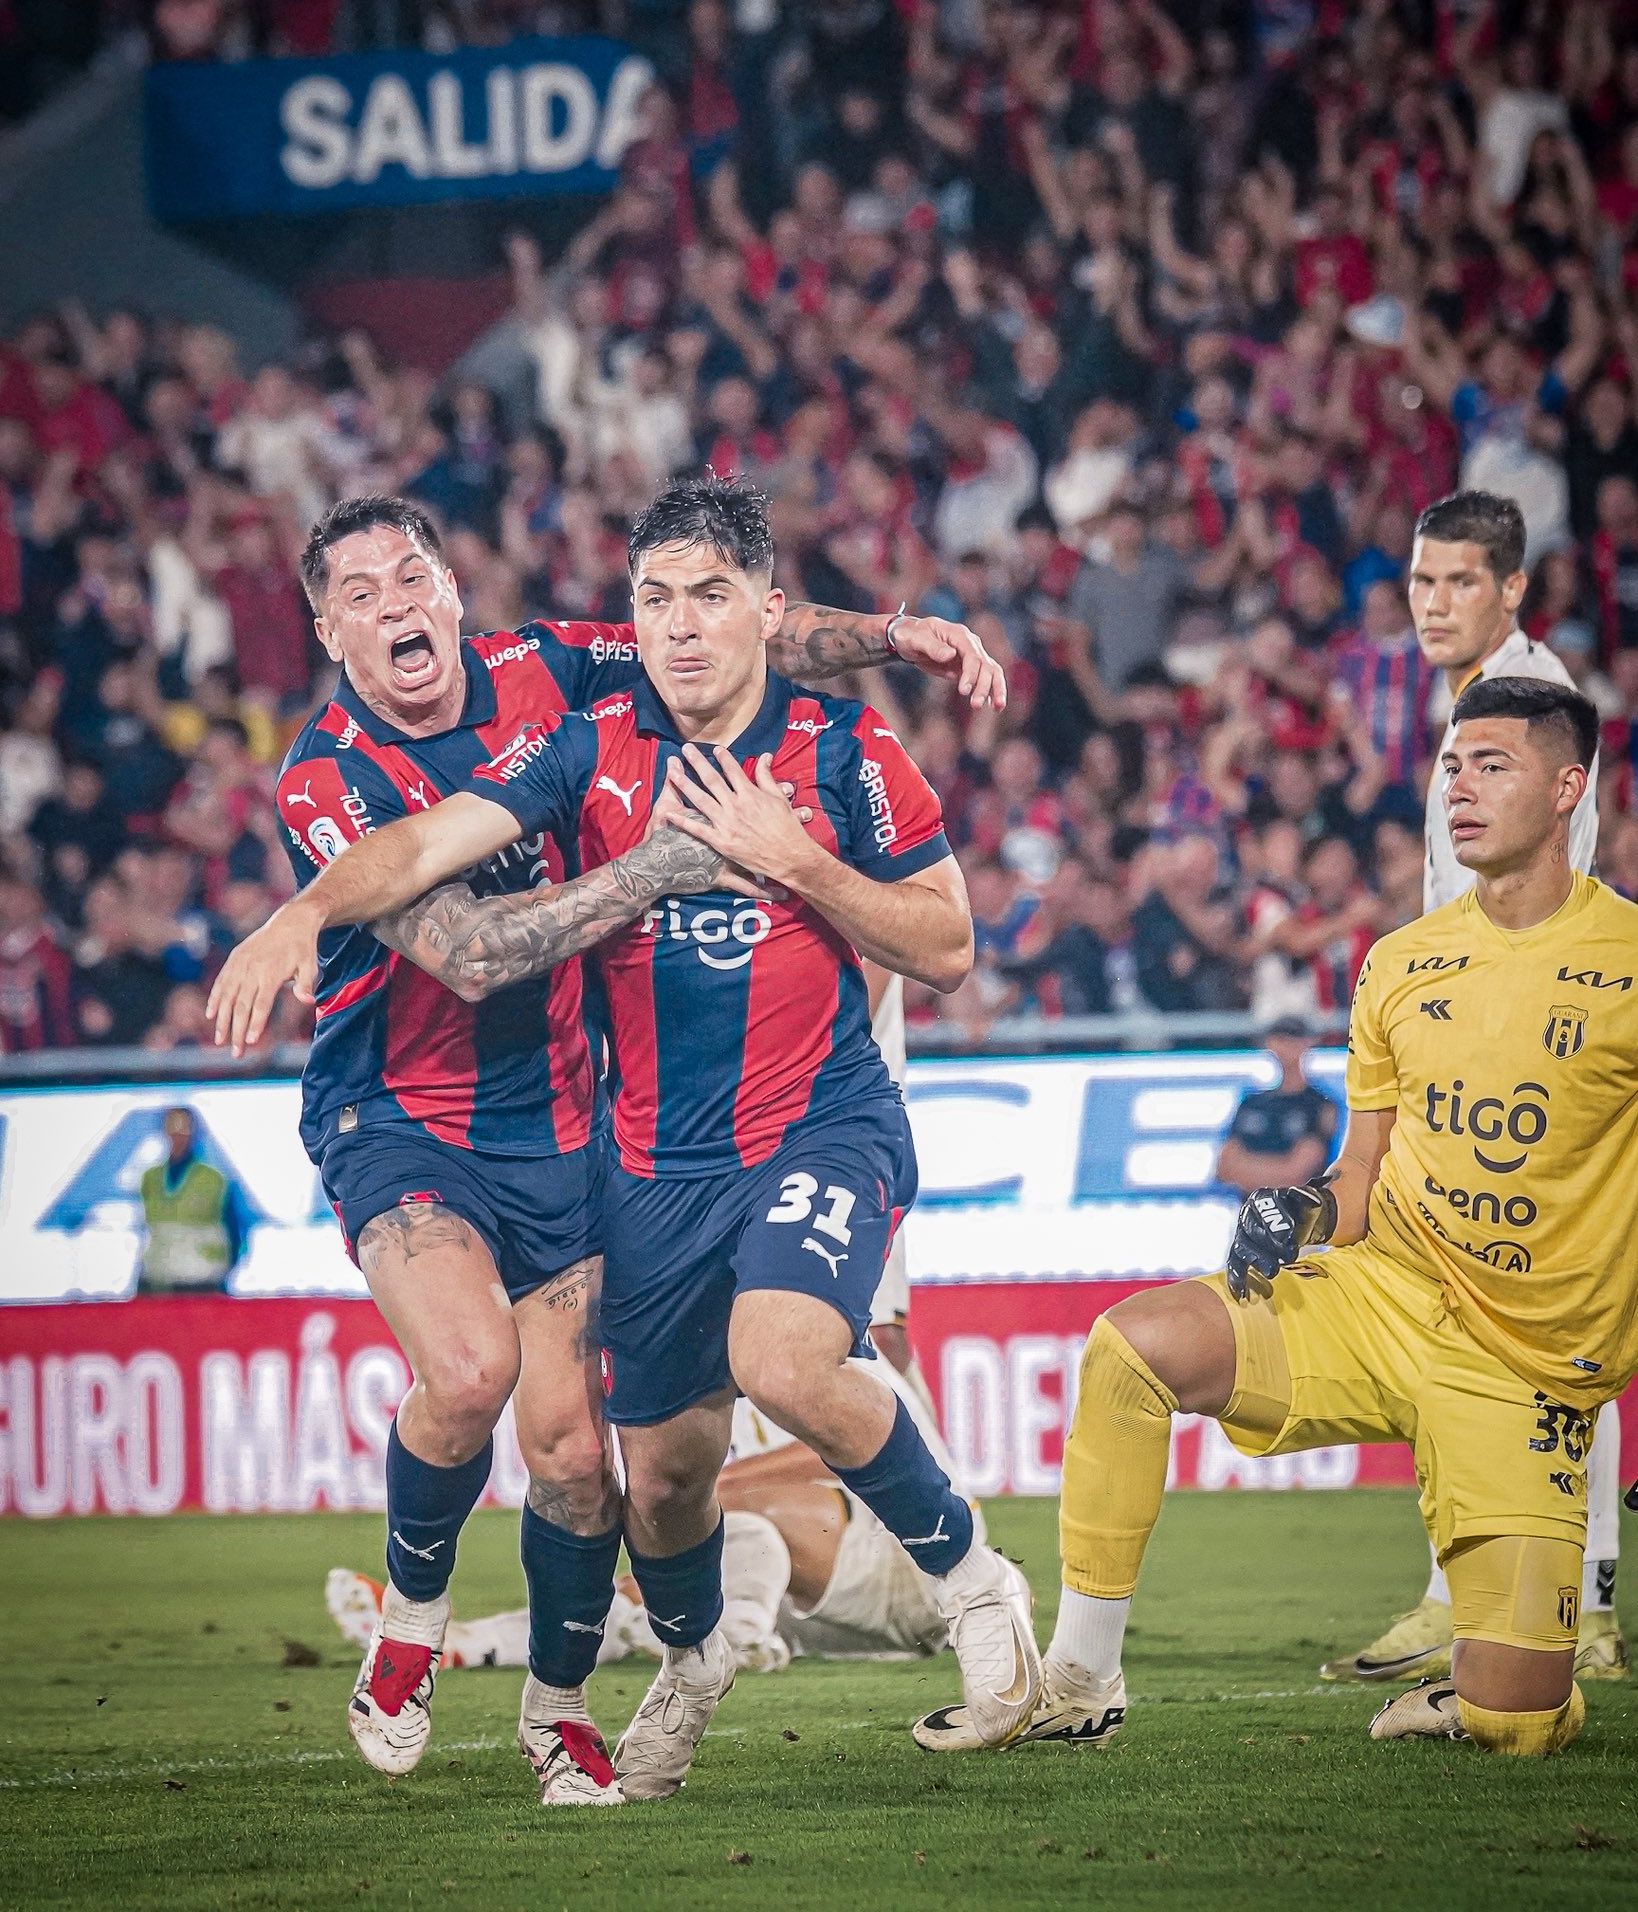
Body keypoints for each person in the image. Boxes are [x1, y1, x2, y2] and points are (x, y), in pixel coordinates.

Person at [207, 477, 1037, 1800]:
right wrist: (303, 912)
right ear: (328, 633)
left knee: (639, 1431)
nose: (394, 607)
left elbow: (744, 636)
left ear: (450, 586)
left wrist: (890, 640)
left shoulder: (620, 690)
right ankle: (533, 1638)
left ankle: (583, 1699)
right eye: (357, 596)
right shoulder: (420, 767)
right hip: (439, 1120)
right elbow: (455, 916)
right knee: (560, 1428)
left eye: (409, 576)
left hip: (675, 1123)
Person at [921, 677, 1635, 1760]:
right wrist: (1300, 1206)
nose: (1461, 787)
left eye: (1494, 764)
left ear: (1569, 786)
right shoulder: (1401, 962)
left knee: (1520, 1726)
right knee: (1129, 1347)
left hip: (1521, 1370)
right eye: (1452, 764)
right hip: (1381, 1302)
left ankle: (1489, 1688)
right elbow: (1359, 1174)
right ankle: (1078, 1676)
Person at [1325, 489, 1625, 1687]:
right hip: (1464, 1034)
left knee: (1559, 1331)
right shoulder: (1473, 705)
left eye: (1460, 582)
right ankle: (1461, 1588)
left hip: (1537, 1052)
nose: (1433, 604)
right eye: (1420, 581)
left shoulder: (1536, 707)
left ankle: (1588, 1597)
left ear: (1511, 587)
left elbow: (1562, 893)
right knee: (1461, 1317)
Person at [324, 1346, 989, 1674]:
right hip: (816, 1591)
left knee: (720, 1519)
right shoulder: (702, 1347)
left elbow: (837, 1453)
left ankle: (735, 1637)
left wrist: (695, 1495)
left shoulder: (815, 1342)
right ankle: (469, 1643)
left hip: (922, 1568)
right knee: (698, 1556)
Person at [1214, 1016, 1337, 1199]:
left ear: (1307, 1042)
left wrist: (1248, 1169)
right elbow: (1224, 1168)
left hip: (1297, 1213)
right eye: (1279, 1039)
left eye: (1291, 1039)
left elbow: (1297, 1173)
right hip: (1251, 1214)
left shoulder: (1319, 1105)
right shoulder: (1252, 1103)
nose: (1285, 1046)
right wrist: (1277, 1169)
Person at [135, 1105, 255, 1293]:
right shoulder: (150, 1177)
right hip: (158, 1277)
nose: (177, 1135)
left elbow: (234, 1229)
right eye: (172, 1127)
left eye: (183, 1128)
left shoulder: (215, 1178)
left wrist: (224, 1270)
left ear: (194, 1132)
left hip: (202, 1278)